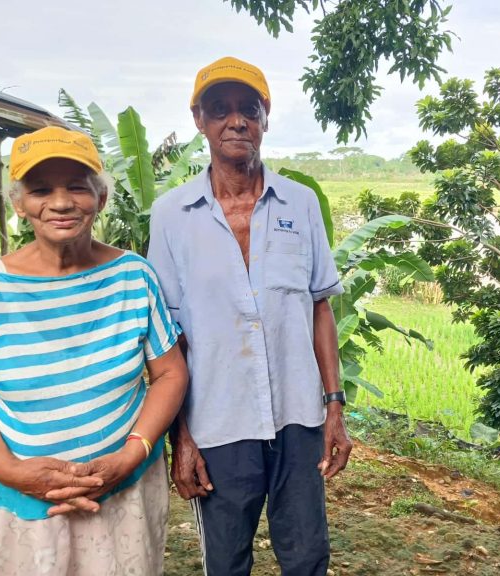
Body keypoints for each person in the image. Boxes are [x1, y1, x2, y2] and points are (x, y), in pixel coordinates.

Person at [147, 56, 353, 576]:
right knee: (227, 562)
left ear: (266, 118)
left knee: (307, 558)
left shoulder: (301, 204)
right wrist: (182, 438)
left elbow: (318, 306)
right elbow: (166, 337)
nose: (236, 121)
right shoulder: (171, 215)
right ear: (200, 120)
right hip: (218, 424)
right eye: (220, 109)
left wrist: (334, 408)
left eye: (250, 110)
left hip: (298, 419)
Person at [0, 126, 188, 575]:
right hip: (20, 507)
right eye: (41, 189)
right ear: (19, 203)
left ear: (101, 198)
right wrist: (13, 472)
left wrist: (132, 454)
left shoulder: (134, 275)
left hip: (122, 495)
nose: (62, 202)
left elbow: (169, 374)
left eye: (77, 187)